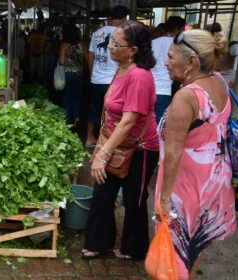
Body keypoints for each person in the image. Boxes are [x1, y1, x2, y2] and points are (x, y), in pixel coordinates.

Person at [155, 29, 236, 280]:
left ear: (191, 62)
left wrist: (165, 200)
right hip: (214, 183)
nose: (165, 63)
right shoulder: (220, 82)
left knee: (170, 259)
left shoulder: (187, 96)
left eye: (170, 57)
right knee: (194, 247)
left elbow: (174, 152)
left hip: (186, 188)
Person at [82, 20, 159, 260]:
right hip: (116, 142)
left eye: (116, 43)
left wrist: (102, 153)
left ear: (133, 50)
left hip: (139, 148)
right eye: (111, 41)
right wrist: (104, 147)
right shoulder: (121, 68)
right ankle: (99, 242)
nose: (110, 47)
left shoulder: (139, 76)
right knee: (102, 194)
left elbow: (128, 121)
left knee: (134, 200)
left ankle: (133, 248)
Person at [85, 5, 128, 147]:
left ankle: (89, 138)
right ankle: (107, 141)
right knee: (112, 112)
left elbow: (91, 56)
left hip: (96, 80)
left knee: (94, 108)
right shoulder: (122, 34)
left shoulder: (97, 33)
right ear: (123, 18)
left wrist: (92, 74)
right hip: (113, 81)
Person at [152, 16, 186, 123]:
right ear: (177, 29)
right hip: (163, 89)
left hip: (148, 88)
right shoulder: (177, 45)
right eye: (182, 30)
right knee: (160, 123)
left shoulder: (152, 43)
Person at [58, 24, 89, 125]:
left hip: (66, 73)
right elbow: (88, 59)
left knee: (67, 97)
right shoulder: (82, 45)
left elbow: (61, 61)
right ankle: (77, 118)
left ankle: (68, 121)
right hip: (78, 74)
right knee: (76, 97)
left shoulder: (64, 45)